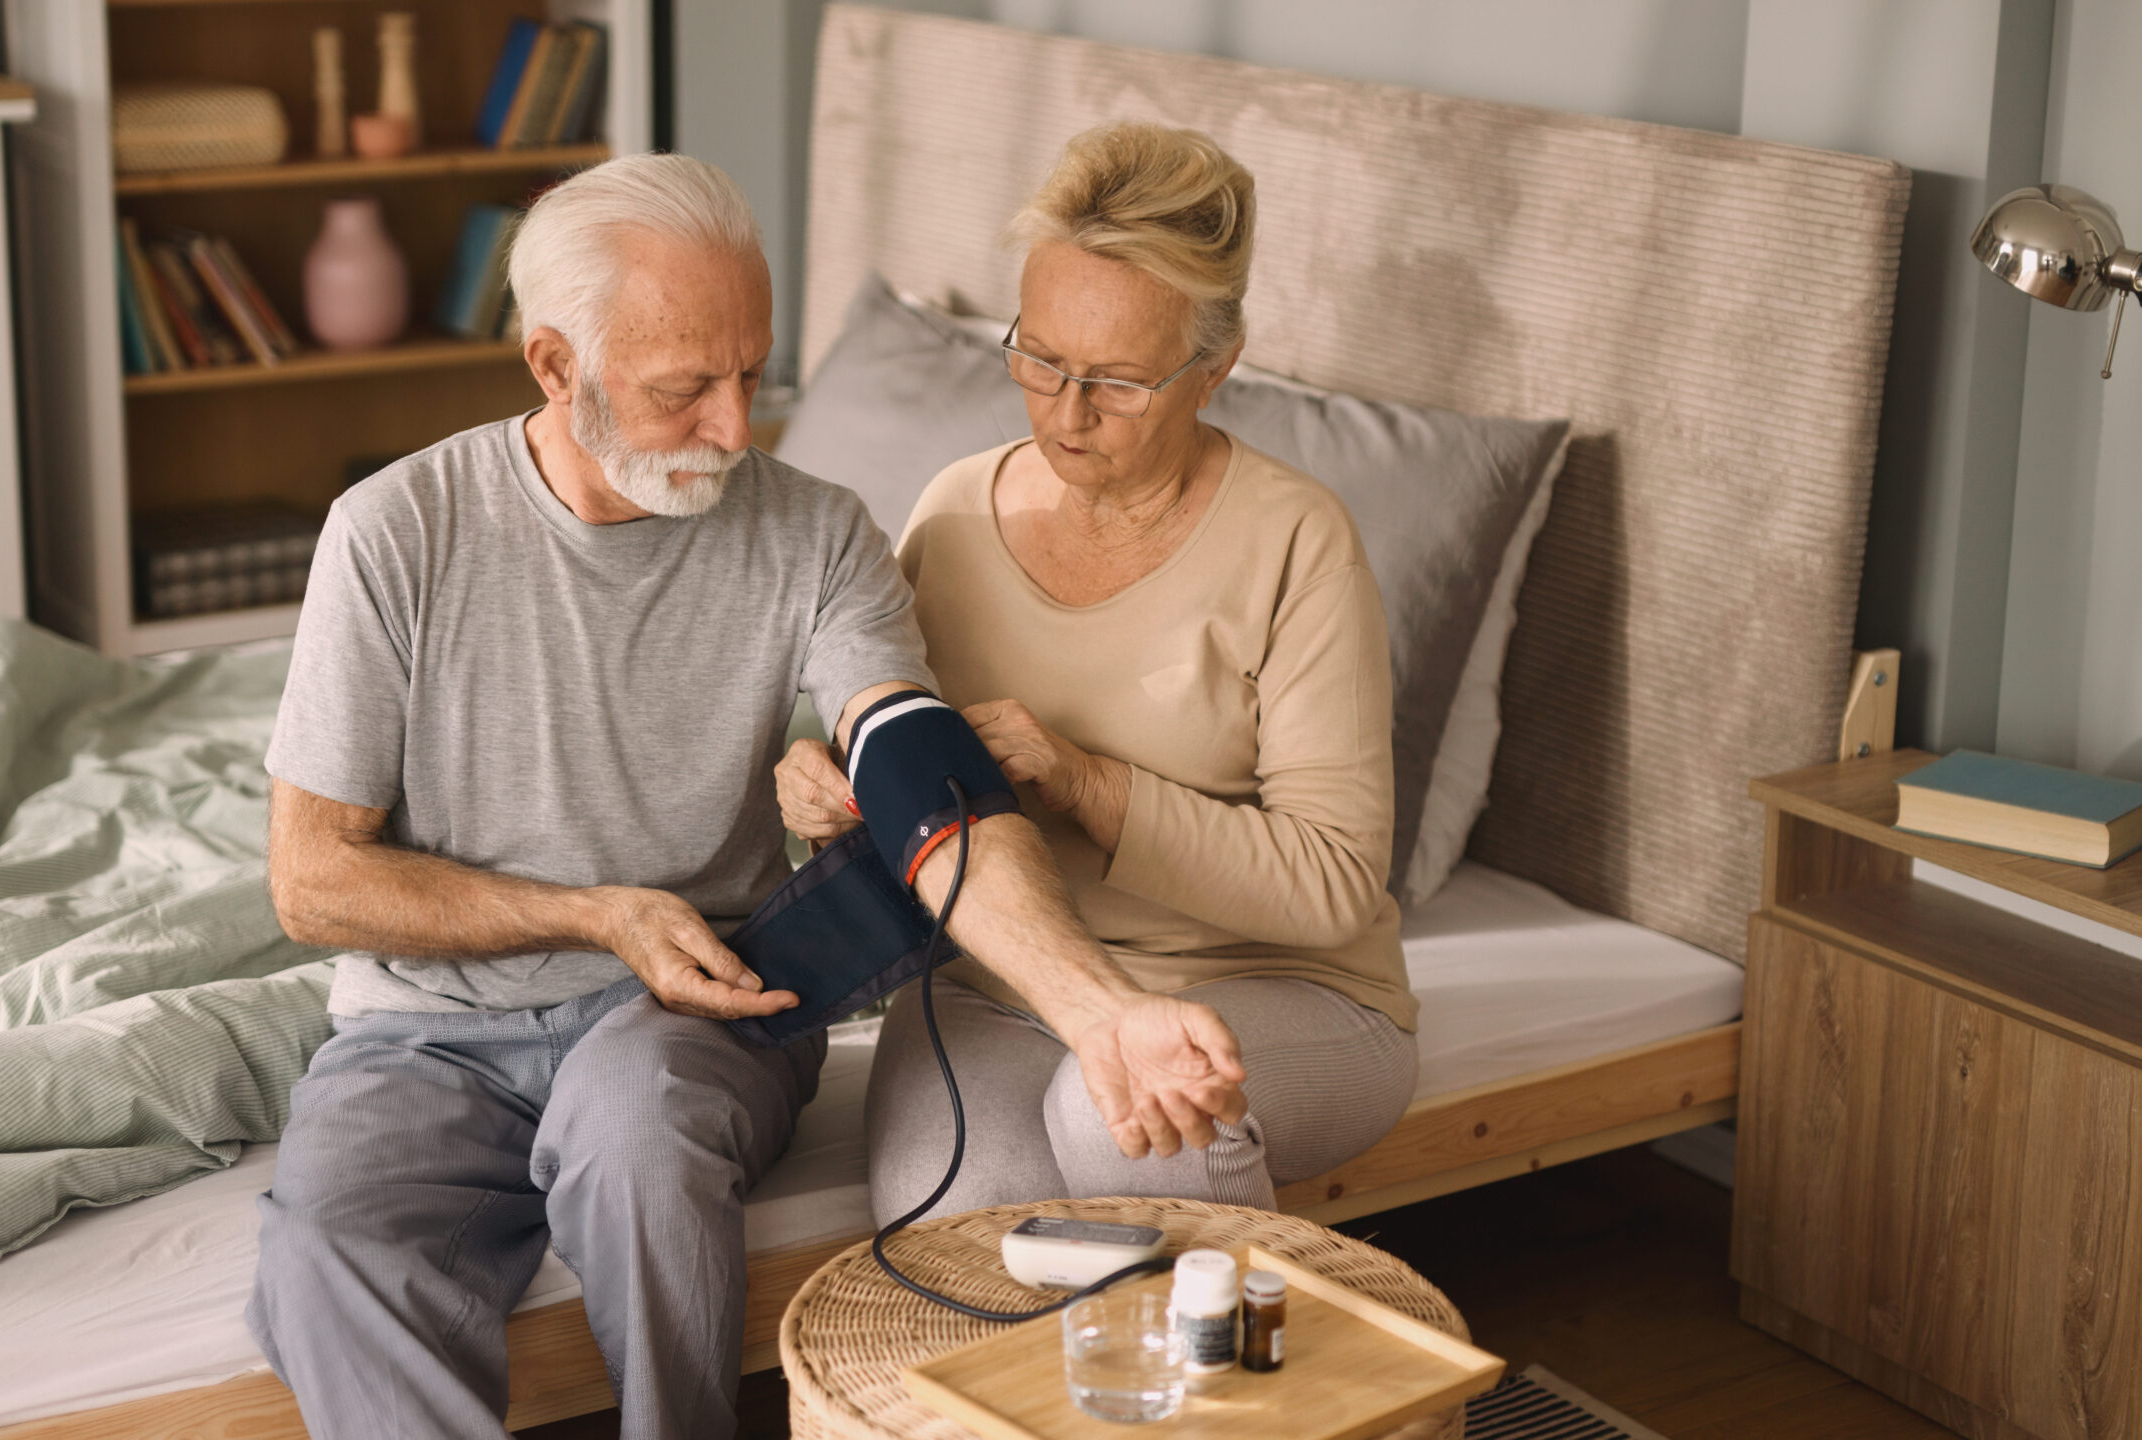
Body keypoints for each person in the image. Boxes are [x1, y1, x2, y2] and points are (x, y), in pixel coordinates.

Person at [246, 153, 1251, 1440]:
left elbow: (920, 776)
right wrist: (601, 914)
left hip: (700, 1007)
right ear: (555, 366)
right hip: (422, 1036)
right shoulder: (394, 534)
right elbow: (313, 879)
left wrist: (1100, 1014)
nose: (736, 429)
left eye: (752, 373)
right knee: (330, 1247)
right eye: (683, 391)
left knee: (641, 1141)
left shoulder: (816, 535)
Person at [778, 123, 1420, 1225]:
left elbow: (1332, 881)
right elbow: (903, 773)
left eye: (1117, 384)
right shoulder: (954, 512)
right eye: (1039, 359)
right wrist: (825, 794)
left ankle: (1242, 1384)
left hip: (1284, 991)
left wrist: (1088, 784)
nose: (1065, 415)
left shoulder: (1297, 544)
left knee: (1110, 1103)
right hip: (1006, 986)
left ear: (1213, 370)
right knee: (957, 1220)